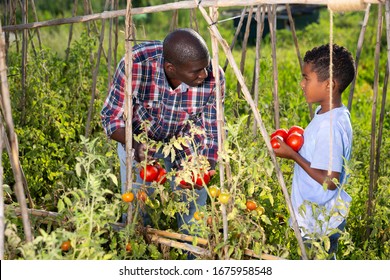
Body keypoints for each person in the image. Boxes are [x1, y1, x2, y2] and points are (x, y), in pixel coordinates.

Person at [100, 28, 225, 236]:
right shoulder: (136, 64)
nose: (204, 74)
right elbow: (110, 118)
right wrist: (134, 143)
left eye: (205, 67)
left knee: (194, 213)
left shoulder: (213, 77)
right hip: (140, 140)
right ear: (171, 68)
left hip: (186, 142)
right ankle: (139, 255)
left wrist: (204, 168)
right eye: (196, 71)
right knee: (137, 209)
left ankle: (193, 256)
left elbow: (212, 129)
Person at [273, 44, 355, 259]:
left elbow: (330, 181)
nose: (302, 84)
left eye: (306, 78)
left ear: (329, 85)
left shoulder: (330, 126)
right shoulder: (330, 114)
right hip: (321, 216)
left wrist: (293, 155)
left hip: (320, 223)